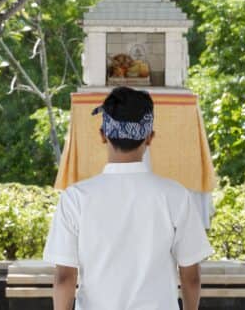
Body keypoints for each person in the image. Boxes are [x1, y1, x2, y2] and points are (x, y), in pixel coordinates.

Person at [42, 86, 213, 309]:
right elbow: (191, 276)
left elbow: (65, 277)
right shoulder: (176, 196)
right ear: (150, 138)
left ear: (103, 135)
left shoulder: (75, 198)